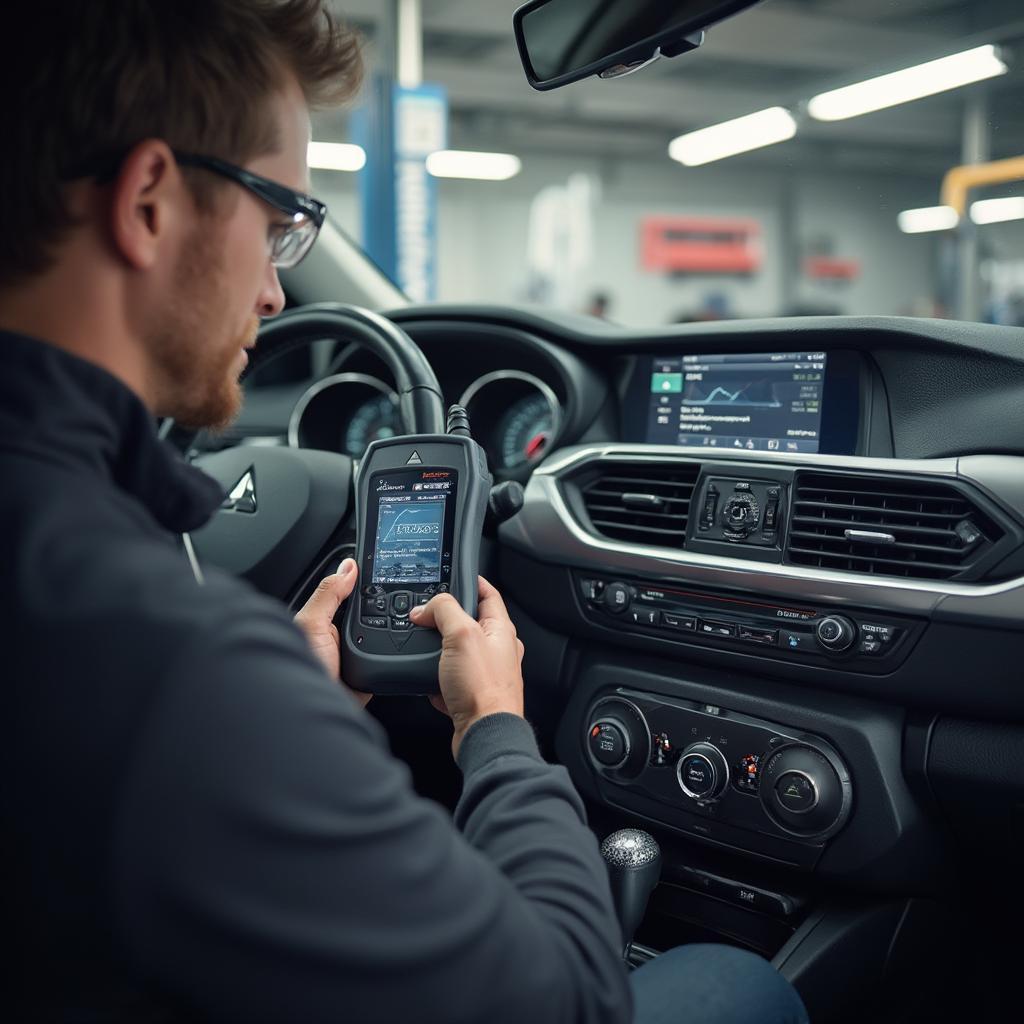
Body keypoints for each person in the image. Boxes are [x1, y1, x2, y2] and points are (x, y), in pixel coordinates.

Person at [0, 3, 807, 1022]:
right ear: (150, 200)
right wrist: (498, 731)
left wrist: (282, 738)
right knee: (738, 983)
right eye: (282, 221)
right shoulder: (179, 678)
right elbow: (566, 1000)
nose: (277, 297)